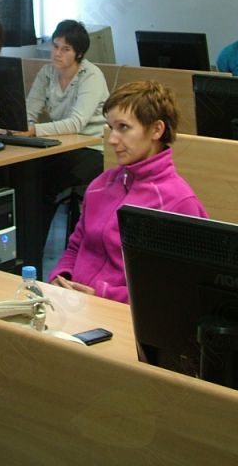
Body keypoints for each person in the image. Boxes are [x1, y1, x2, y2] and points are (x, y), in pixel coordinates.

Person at [49, 81, 207, 303]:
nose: (112, 139)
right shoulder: (101, 184)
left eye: (123, 127)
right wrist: (61, 277)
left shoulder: (179, 202)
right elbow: (76, 246)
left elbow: (179, 289)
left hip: (125, 314)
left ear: (156, 130)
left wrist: (104, 296)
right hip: (74, 304)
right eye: (111, 127)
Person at [15, 19, 110, 246]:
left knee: (44, 182)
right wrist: (24, 125)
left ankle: (33, 249)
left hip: (94, 148)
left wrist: (34, 129)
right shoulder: (47, 72)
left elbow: (76, 123)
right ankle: (21, 246)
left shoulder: (91, 75)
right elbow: (29, 110)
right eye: (55, 46)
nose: (57, 53)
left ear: (79, 54)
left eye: (65, 49)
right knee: (22, 173)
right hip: (62, 145)